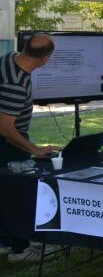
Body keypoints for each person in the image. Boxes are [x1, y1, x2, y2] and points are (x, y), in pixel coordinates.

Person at [0, 33, 59, 262]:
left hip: (8, 140)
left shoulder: (9, 58)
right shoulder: (16, 83)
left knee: (4, 191)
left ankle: (5, 243)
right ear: (45, 58)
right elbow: (6, 129)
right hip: (8, 144)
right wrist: (35, 149)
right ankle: (20, 249)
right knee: (16, 192)